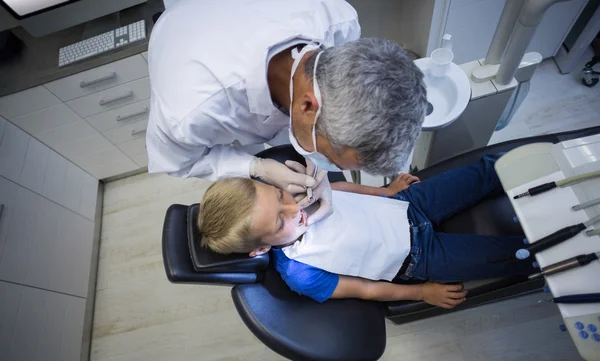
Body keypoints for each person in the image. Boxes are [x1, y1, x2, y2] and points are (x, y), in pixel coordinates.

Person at [146, 0, 427, 225]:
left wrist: (319, 164)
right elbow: (179, 163)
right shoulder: (192, 110)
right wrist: (254, 167)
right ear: (307, 106)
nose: (328, 167)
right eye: (331, 160)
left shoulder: (339, 21)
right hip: (187, 26)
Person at [197, 155, 535, 309]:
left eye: (281, 196)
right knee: (518, 254)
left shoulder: (303, 195)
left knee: (490, 169)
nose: (295, 208)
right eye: (280, 222)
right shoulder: (302, 272)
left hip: (408, 204)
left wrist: (386, 192)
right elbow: (365, 290)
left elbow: (341, 188)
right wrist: (422, 293)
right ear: (259, 249)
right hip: (417, 257)